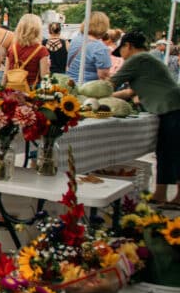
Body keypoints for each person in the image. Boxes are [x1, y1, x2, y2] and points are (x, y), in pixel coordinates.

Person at [110, 31, 180, 209]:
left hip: (172, 108)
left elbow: (111, 82)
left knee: (172, 153)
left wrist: (93, 95)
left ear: (128, 46)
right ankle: (161, 194)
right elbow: (129, 92)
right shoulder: (148, 60)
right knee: (166, 152)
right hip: (171, 107)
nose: (122, 57)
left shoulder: (138, 59)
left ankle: (174, 197)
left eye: (122, 51)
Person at [66, 11, 112, 83]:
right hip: (88, 89)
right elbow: (103, 76)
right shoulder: (100, 48)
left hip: (71, 85)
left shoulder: (75, 40)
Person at [6, 13, 50, 87]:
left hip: (12, 90)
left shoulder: (12, 48)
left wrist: (1, 90)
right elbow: (44, 77)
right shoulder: (41, 50)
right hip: (32, 91)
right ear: (37, 30)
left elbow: (5, 74)